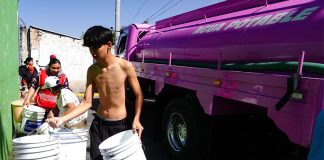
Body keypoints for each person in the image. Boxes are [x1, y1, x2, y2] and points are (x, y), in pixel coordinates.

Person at [47, 25, 144, 160]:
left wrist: (137, 119)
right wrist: (62, 119)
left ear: (108, 44)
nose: (92, 52)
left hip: (119, 125)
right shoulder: (92, 70)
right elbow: (87, 102)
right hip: (98, 124)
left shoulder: (125, 66)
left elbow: (139, 94)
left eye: (96, 47)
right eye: (90, 48)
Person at [24, 57, 69, 122]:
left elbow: (65, 94)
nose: (56, 70)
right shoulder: (41, 74)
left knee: (51, 128)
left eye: (58, 68)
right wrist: (27, 99)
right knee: (37, 127)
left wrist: (54, 110)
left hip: (54, 109)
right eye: (53, 68)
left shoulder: (63, 78)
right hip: (39, 107)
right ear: (49, 67)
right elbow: (33, 86)